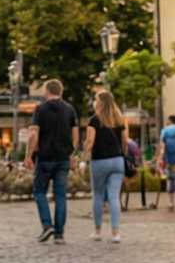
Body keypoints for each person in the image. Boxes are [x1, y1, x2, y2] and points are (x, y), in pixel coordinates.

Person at [25, 78, 79, 245]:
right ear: (60, 92)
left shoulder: (40, 109)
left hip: (45, 158)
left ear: (47, 91)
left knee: (39, 191)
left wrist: (28, 155)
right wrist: (72, 153)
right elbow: (75, 135)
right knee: (61, 195)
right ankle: (59, 234)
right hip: (63, 158)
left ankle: (47, 224)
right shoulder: (70, 109)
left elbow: (34, 134)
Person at [80, 90, 128, 243]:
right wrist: (123, 155)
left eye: (96, 99)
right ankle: (115, 233)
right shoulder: (120, 120)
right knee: (114, 197)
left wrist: (83, 158)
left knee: (98, 195)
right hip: (117, 161)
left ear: (100, 102)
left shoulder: (94, 120)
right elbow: (125, 142)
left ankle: (97, 231)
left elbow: (90, 142)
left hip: (100, 161)